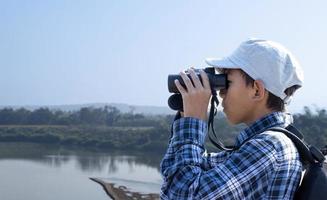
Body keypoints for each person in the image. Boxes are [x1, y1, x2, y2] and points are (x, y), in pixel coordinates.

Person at [160, 38, 304, 199]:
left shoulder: (269, 146)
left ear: (256, 90)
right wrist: (186, 114)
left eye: (227, 82)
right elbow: (186, 168)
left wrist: (194, 121)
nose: (220, 92)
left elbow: (181, 195)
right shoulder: (264, 144)